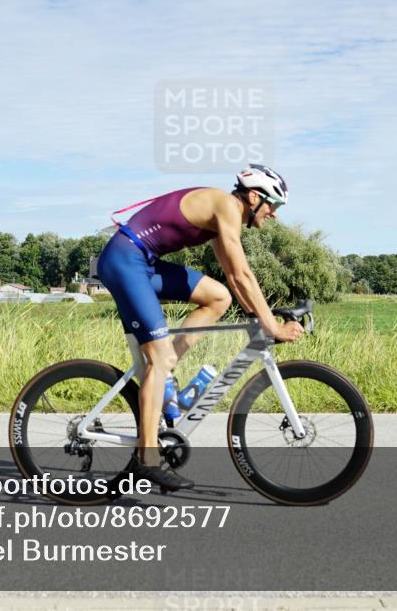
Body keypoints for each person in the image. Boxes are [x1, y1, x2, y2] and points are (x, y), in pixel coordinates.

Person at [96, 164, 305, 491]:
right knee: (159, 359)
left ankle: (166, 368)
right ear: (254, 197)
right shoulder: (225, 206)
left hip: (141, 261)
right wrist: (272, 327)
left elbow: (233, 282)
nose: (274, 215)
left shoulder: (223, 218)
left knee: (217, 297)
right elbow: (243, 275)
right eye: (273, 205)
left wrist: (258, 313)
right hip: (125, 261)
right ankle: (146, 460)